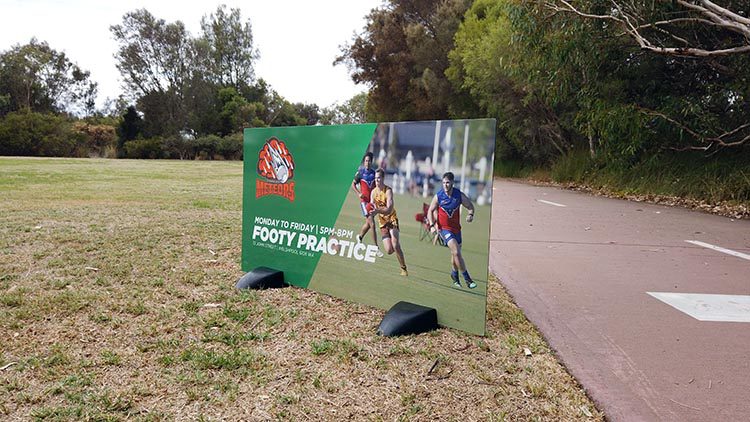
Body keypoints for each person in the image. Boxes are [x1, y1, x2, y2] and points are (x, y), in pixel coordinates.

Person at [427, 172, 476, 288]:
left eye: (448, 182)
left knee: (455, 255)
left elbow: (470, 206)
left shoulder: (459, 195)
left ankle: (454, 274)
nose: (445, 185)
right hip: (444, 230)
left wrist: (470, 215)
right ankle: (467, 279)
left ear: (452, 182)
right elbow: (430, 210)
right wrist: (432, 225)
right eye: (443, 183)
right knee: (456, 252)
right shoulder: (438, 196)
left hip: (457, 230)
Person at [369, 168, 408, 276]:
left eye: (379, 178)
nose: (377, 181)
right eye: (375, 178)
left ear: (383, 178)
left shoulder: (388, 191)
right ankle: (398, 252)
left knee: (395, 244)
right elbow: (371, 206)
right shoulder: (373, 192)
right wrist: (371, 211)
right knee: (389, 250)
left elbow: (389, 209)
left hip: (391, 219)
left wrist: (377, 210)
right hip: (382, 222)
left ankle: (403, 268)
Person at [352, 152, 382, 256]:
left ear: (371, 162)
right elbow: (353, 185)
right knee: (372, 224)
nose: (367, 162)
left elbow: (378, 187)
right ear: (364, 162)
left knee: (369, 224)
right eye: (365, 161)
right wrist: (359, 193)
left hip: (372, 203)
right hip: (364, 202)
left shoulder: (374, 174)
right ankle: (375, 248)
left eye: (369, 161)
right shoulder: (360, 173)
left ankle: (359, 236)